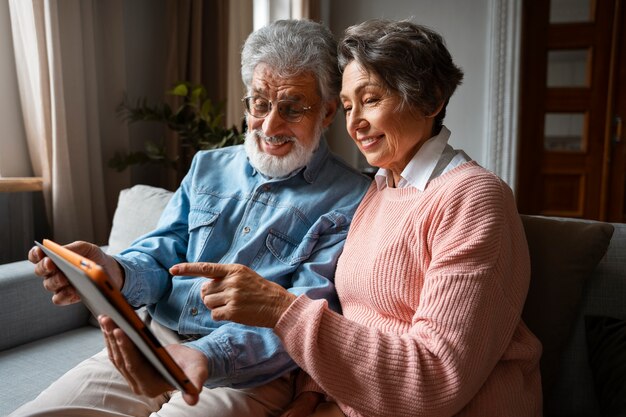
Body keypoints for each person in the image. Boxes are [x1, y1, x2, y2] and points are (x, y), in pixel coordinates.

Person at [174, 19, 544, 417]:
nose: (354, 124)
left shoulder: (473, 199)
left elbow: (435, 379)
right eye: (348, 107)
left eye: (370, 100)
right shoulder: (379, 189)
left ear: (431, 99)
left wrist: (280, 308)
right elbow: (353, 316)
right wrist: (309, 396)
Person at [13, 19, 371, 417]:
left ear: (326, 112)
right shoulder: (208, 166)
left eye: (291, 108)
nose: (270, 125)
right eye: (260, 103)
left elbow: (301, 317)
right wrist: (112, 271)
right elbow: (162, 253)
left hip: (247, 374)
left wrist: (204, 354)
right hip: (154, 343)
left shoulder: (350, 198)